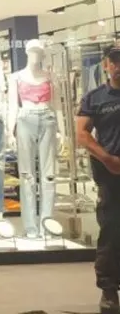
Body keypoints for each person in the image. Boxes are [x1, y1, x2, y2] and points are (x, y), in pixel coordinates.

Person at [76, 43, 120, 314]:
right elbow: (82, 134)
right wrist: (107, 159)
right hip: (111, 174)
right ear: (106, 65)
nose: (118, 66)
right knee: (111, 230)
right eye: (114, 61)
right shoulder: (95, 98)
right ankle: (109, 289)